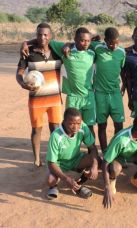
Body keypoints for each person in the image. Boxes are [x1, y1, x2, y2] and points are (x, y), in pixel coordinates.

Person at [22, 27, 97, 137]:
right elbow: (45, 39)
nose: (85, 43)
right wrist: (25, 43)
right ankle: (72, 152)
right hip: (73, 97)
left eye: (88, 40)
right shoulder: (65, 51)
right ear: (75, 39)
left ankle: (92, 152)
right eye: (82, 40)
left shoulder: (92, 52)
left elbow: (104, 45)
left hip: (89, 96)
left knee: (90, 127)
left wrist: (70, 43)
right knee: (71, 128)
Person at [16, 23, 62, 167]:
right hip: (36, 100)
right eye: (39, 34)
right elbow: (20, 72)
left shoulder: (57, 50)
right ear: (36, 36)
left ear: (50, 36)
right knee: (36, 129)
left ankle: (55, 158)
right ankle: (37, 159)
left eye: (45, 34)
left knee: (55, 130)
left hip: (55, 98)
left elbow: (75, 44)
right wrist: (22, 83)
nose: (42, 37)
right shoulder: (28, 51)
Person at [102, 113, 137, 209]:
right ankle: (112, 181)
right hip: (118, 157)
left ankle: (136, 178)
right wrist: (107, 186)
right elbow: (105, 162)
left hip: (132, 154)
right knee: (115, 168)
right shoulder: (121, 140)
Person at [46, 108, 99, 200]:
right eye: (71, 124)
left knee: (96, 161)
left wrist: (94, 166)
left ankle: (78, 185)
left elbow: (92, 148)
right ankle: (54, 187)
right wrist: (66, 179)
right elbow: (51, 163)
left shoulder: (83, 127)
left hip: (76, 160)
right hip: (59, 164)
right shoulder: (55, 136)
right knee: (51, 180)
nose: (76, 127)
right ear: (64, 122)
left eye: (78, 123)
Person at [89, 27, 126, 152]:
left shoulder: (121, 52)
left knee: (119, 126)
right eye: (111, 43)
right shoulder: (98, 48)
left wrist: (124, 84)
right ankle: (105, 152)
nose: (114, 46)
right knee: (102, 125)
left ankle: (117, 152)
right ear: (105, 40)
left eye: (116, 43)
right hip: (100, 94)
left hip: (115, 93)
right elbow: (85, 41)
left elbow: (123, 70)